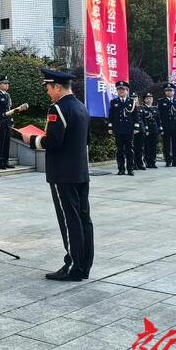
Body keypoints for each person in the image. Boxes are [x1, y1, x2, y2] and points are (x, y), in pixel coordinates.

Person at [24, 68, 93, 282]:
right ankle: (83, 265)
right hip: (80, 171)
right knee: (83, 219)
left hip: (63, 173)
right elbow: (86, 139)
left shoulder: (58, 108)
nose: (47, 93)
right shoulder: (81, 107)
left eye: (48, 88)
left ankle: (72, 266)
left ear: (57, 87)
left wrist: (32, 140)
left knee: (69, 219)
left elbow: (53, 142)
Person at [107, 80, 139, 176]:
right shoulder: (114, 102)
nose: (121, 91)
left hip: (129, 129)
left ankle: (130, 169)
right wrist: (110, 127)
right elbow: (111, 116)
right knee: (120, 150)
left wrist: (136, 127)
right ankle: (121, 169)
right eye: (119, 89)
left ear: (127, 91)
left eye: (123, 89)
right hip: (118, 129)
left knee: (129, 150)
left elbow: (135, 116)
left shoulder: (131, 101)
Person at [157, 83, 176, 167]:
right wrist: (160, 126)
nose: (169, 92)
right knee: (166, 144)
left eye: (170, 90)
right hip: (166, 126)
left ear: (174, 91)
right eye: (167, 91)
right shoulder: (161, 101)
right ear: (165, 92)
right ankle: (168, 161)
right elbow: (158, 115)